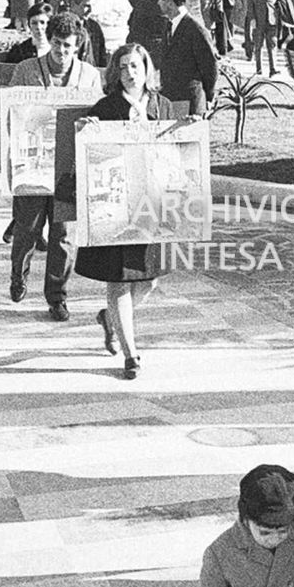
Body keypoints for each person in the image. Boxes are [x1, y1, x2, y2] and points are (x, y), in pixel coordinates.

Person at [74, 43, 179, 381]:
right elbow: (89, 152)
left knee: (148, 279)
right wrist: (85, 130)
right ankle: (131, 354)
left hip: (151, 205)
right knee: (118, 278)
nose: (130, 73)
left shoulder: (161, 106)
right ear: (115, 72)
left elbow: (176, 151)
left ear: (147, 69)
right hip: (115, 206)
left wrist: (188, 128)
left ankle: (110, 318)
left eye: (135, 66)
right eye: (123, 67)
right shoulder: (105, 107)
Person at [4, 12, 103, 319]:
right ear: (49, 41)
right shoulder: (26, 69)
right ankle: (18, 275)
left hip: (69, 170)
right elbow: (10, 116)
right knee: (28, 230)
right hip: (33, 165)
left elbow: (98, 118)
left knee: (63, 236)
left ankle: (57, 296)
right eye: (57, 44)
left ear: (78, 46)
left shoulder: (89, 76)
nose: (61, 52)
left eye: (68, 46)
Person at [155, 0, 217, 117]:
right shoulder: (168, 25)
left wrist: (208, 97)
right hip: (170, 100)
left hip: (190, 103)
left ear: (169, 2)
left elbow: (210, 66)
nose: (158, 3)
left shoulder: (195, 28)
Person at [247, 0, 282, 76]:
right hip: (258, 18)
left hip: (272, 19)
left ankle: (273, 69)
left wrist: (288, 16)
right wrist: (252, 18)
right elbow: (250, 2)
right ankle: (259, 69)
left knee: (272, 44)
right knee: (258, 45)